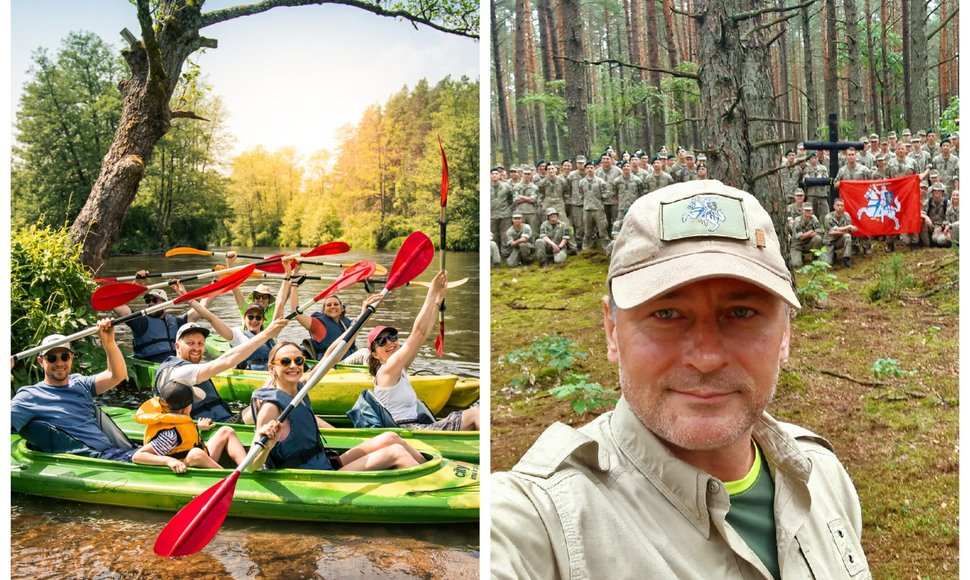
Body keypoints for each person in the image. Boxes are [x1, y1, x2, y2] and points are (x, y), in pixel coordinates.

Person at [491, 180, 870, 577]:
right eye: (667, 314)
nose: (706, 358)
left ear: (786, 334)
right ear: (612, 331)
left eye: (741, 313)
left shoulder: (822, 477)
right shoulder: (545, 521)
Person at [252, 341, 427, 471]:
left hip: (323, 461)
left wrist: (359, 320)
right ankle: (432, 491)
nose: (293, 366)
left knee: (390, 437)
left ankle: (434, 470)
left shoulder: (300, 389)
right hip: (311, 475)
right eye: (285, 362)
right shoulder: (271, 408)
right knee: (395, 452)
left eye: (298, 360)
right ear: (271, 368)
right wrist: (267, 447)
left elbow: (331, 357)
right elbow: (252, 465)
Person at [368, 271, 479, 431]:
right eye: (381, 341)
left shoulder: (400, 368)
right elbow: (417, 333)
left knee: (475, 410)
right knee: (475, 413)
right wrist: (431, 292)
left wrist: (437, 302)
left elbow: (423, 334)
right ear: (375, 354)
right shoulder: (387, 370)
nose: (389, 343)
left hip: (415, 426)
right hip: (408, 430)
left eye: (392, 337)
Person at [12, 319, 133, 460]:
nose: (59, 363)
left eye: (64, 357)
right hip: (97, 459)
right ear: (41, 361)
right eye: (52, 358)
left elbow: (117, 375)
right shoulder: (29, 396)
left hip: (114, 453)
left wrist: (108, 342)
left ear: (71, 358)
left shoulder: (80, 383)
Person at [154, 319, 288, 423]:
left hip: (226, 421)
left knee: (274, 386)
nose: (196, 348)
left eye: (200, 343)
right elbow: (227, 360)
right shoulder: (177, 372)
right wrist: (266, 334)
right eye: (190, 343)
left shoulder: (190, 368)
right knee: (271, 404)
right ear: (177, 346)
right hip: (208, 428)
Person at [132, 377, 259, 472]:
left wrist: (197, 426)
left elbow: (182, 431)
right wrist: (169, 461)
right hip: (187, 467)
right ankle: (227, 477)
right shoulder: (170, 435)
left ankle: (247, 468)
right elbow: (138, 456)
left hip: (203, 459)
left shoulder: (177, 419)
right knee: (195, 454)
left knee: (226, 430)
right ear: (186, 409)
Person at [284, 260, 382, 359]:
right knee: (365, 352)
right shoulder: (317, 324)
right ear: (324, 311)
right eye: (328, 305)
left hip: (348, 361)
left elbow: (365, 316)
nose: (332, 306)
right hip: (330, 364)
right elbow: (295, 312)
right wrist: (295, 282)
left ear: (342, 309)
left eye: (336, 304)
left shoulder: (348, 323)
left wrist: (370, 290)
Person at [110, 276, 223, 362]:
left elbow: (202, 307)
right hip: (153, 362)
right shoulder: (140, 321)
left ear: (165, 304)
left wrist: (216, 282)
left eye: (155, 300)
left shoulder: (178, 322)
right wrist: (136, 283)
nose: (150, 303)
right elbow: (116, 304)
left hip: (177, 362)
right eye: (148, 300)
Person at [822, 198, 858, 267]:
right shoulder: (828, 217)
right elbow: (832, 232)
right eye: (838, 205)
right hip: (829, 242)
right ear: (834, 206)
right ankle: (832, 254)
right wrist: (848, 228)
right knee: (827, 263)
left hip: (840, 240)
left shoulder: (846, 216)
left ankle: (847, 259)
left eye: (841, 205)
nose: (840, 207)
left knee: (847, 236)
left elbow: (849, 231)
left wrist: (850, 229)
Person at [790, 202, 824, 267]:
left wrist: (808, 234)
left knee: (818, 239)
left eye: (809, 210)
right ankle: (800, 256)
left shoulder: (814, 219)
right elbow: (800, 237)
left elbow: (820, 231)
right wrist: (811, 232)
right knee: (797, 264)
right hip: (797, 246)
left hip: (809, 244)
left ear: (812, 211)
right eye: (806, 210)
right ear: (802, 211)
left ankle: (815, 258)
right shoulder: (797, 220)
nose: (808, 212)